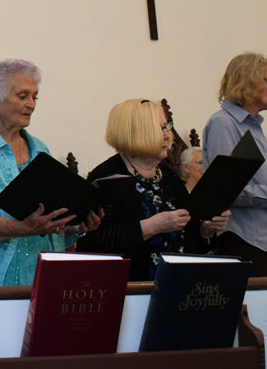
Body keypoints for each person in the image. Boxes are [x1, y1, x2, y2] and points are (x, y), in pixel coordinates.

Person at [0, 59, 103, 288]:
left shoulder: (40, 150)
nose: (31, 104)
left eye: (35, 97)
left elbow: (48, 227)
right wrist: (24, 228)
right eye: (23, 96)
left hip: (37, 280)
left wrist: (76, 226)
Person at [76, 99, 230, 280]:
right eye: (159, 129)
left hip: (176, 286)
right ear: (134, 133)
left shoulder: (170, 177)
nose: (167, 135)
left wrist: (206, 230)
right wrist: (151, 226)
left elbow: (190, 238)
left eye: (167, 126)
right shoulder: (107, 176)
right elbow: (93, 244)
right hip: (130, 290)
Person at [203, 52, 267, 276]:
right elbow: (230, 191)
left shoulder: (253, 126)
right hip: (247, 241)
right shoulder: (223, 123)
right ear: (249, 82)